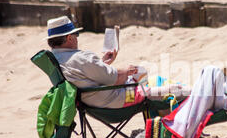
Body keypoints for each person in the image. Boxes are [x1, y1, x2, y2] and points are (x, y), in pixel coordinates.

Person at [45, 16, 188, 109]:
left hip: (90, 101)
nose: (77, 38)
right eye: (76, 34)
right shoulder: (80, 58)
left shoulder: (55, 59)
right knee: (175, 91)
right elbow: (115, 79)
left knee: (154, 80)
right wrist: (127, 70)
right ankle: (198, 95)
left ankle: (165, 122)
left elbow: (84, 76)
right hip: (114, 98)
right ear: (69, 38)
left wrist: (103, 63)